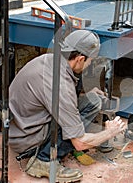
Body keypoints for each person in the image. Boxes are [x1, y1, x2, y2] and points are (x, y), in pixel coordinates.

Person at [9, 30, 126, 182]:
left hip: (20, 124)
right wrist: (110, 132)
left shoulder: (50, 59)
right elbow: (80, 143)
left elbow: (54, 95)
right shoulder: (61, 84)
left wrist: (84, 96)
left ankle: (56, 147)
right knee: (76, 135)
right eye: (90, 61)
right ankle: (43, 160)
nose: (90, 64)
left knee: (93, 100)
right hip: (27, 139)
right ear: (80, 59)